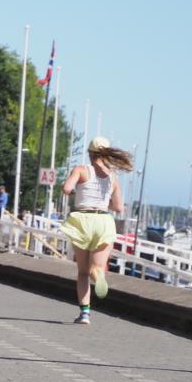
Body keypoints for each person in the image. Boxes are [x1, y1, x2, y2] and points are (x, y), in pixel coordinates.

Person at [59, 136, 133, 325]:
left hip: (82, 220)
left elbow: (67, 188)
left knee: (82, 272)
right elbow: (118, 207)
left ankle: (85, 314)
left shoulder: (81, 170)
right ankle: (99, 275)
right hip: (103, 221)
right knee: (96, 267)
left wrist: (74, 191)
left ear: (90, 153)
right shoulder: (113, 178)